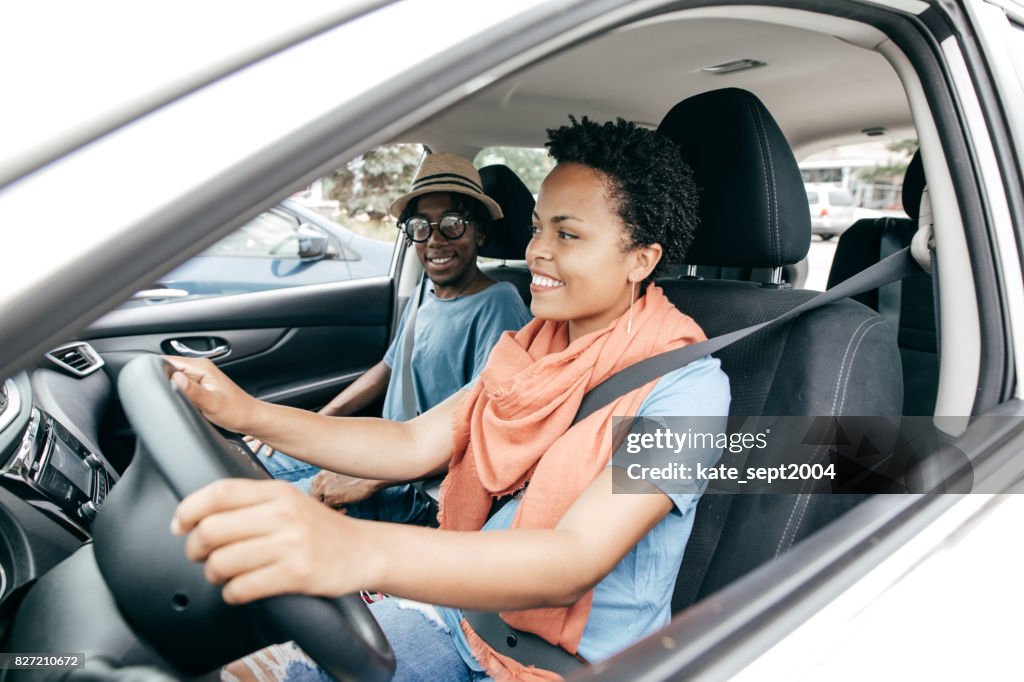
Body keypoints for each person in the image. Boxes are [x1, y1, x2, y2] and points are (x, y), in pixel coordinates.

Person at [168, 117, 731, 682]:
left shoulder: (693, 391)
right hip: (464, 618)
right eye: (537, 229)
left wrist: (353, 546)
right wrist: (248, 412)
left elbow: (574, 558)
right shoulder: (531, 347)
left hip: (556, 664)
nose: (536, 251)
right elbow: (413, 441)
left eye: (567, 235)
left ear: (641, 259)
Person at [253, 153, 532, 525]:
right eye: (421, 226)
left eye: (452, 224)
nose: (435, 240)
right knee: (251, 459)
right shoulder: (426, 291)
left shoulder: (500, 306)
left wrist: (372, 476)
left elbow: (482, 424)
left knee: (263, 509)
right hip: (381, 449)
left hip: (420, 487)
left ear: (480, 232)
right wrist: (320, 421)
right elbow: (387, 367)